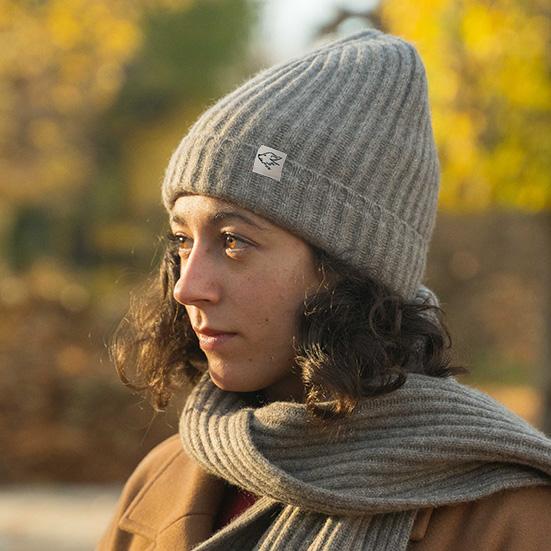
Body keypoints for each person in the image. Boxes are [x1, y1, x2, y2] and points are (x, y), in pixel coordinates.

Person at [98, 29, 551, 550]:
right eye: (182, 239)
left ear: (350, 271)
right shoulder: (162, 478)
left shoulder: (510, 518)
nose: (188, 286)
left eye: (233, 241)